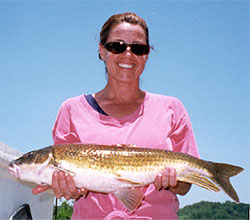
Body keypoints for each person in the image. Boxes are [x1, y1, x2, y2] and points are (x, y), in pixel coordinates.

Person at [32, 12, 199, 219]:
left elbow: (185, 187)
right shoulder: (72, 109)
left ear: (147, 55)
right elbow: (72, 186)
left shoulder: (173, 109)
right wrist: (68, 188)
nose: (128, 54)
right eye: (117, 46)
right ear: (102, 51)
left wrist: (175, 181)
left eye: (138, 48)